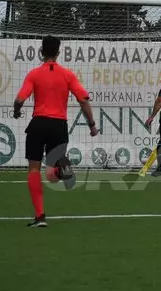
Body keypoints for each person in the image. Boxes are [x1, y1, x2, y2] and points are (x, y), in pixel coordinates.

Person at [13, 35, 98, 228]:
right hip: (59, 126)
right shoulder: (67, 75)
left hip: (39, 124)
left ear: (41, 52)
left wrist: (17, 111)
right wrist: (92, 125)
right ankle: (64, 169)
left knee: (34, 169)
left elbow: (19, 100)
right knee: (52, 175)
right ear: (58, 53)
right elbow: (83, 100)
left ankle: (40, 217)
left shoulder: (34, 74)